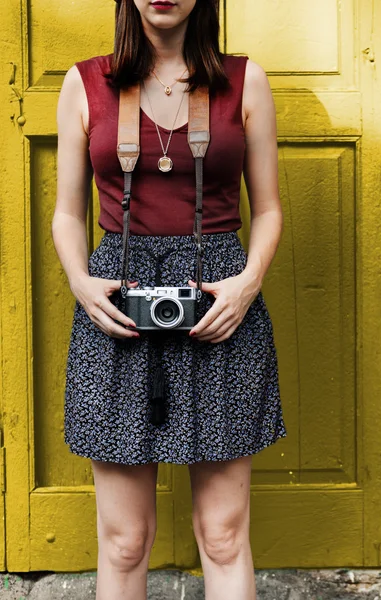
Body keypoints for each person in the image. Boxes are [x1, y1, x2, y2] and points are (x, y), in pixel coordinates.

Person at [52, 0, 287, 598]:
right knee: (125, 540)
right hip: (117, 312)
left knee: (225, 534)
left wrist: (248, 282)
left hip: (221, 308)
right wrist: (81, 282)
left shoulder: (244, 80)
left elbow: (269, 209)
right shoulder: (85, 82)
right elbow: (66, 214)